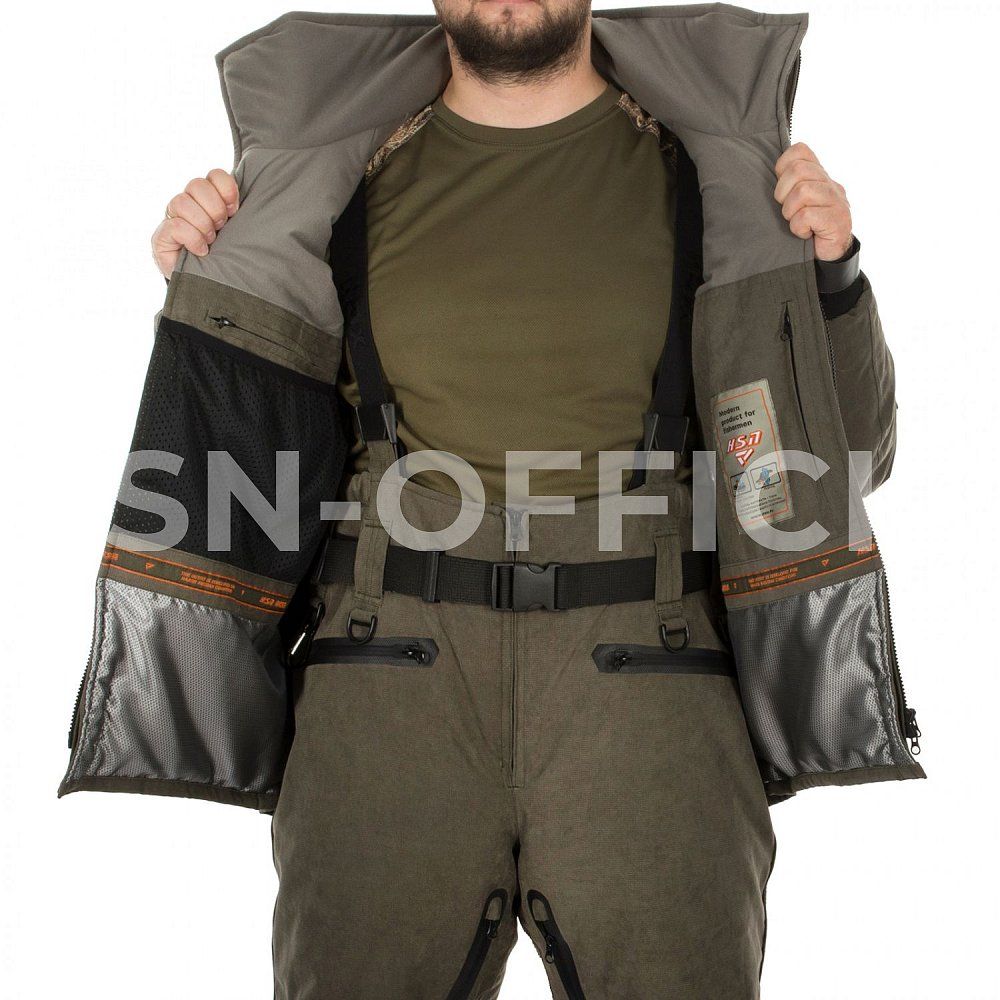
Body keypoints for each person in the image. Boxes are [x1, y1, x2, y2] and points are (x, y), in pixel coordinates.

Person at [63, 3, 922, 998]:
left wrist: (830, 276)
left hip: (653, 684)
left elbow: (849, 460)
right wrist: (211, 293)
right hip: (384, 686)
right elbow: (254, 451)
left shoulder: (715, 177)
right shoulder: (331, 178)